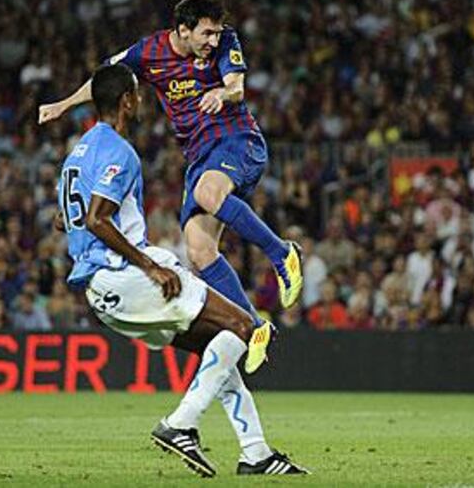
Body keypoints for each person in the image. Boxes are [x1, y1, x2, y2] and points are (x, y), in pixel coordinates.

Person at [56, 63, 308, 477]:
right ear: (126, 101)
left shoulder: (77, 155)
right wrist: (150, 265)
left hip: (100, 292)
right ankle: (179, 425)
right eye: (137, 93)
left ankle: (256, 453)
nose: (141, 99)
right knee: (244, 325)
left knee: (222, 344)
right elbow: (97, 219)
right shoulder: (119, 151)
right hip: (129, 275)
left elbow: (64, 219)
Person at [40, 0, 304, 329]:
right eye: (205, 33)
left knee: (207, 195)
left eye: (215, 32)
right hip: (199, 156)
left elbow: (237, 86)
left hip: (235, 140)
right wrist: (62, 105)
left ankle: (282, 254)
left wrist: (222, 94)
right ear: (182, 30)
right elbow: (106, 79)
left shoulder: (226, 42)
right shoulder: (149, 52)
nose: (212, 40)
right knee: (199, 250)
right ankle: (252, 326)